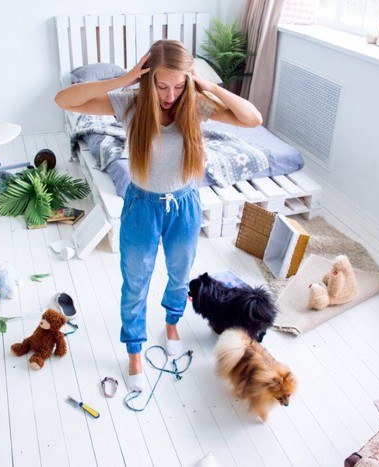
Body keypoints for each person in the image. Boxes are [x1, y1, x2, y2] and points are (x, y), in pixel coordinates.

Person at [55, 40, 262, 391]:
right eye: (162, 85)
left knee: (180, 277)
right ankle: (134, 351)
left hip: (184, 204)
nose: (170, 95)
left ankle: (171, 324)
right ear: (148, 79)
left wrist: (205, 85)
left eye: (178, 85)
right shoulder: (129, 104)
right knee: (135, 283)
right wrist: (125, 78)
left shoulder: (196, 105)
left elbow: (252, 119)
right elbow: (65, 100)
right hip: (142, 207)